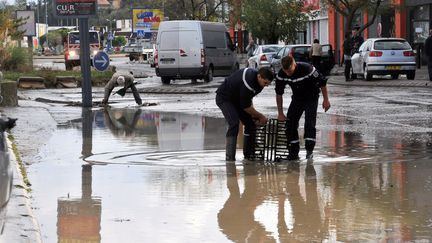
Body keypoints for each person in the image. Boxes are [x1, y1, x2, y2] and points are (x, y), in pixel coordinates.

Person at [275, 55, 330, 160]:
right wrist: (280, 113)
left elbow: (322, 82)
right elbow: (279, 94)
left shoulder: (307, 69)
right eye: (285, 71)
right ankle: (293, 153)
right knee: (290, 123)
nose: (288, 73)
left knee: (309, 123)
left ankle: (309, 152)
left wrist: (326, 100)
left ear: (294, 64)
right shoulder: (281, 74)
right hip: (297, 98)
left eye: (290, 71)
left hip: (311, 97)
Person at [216, 67, 274, 161]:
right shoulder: (249, 81)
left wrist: (253, 115)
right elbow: (245, 106)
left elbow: (248, 99)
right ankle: (230, 158)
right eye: (265, 83)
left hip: (238, 100)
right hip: (224, 98)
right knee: (234, 123)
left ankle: (249, 155)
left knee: (250, 124)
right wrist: (260, 116)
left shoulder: (259, 83)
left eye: (268, 84)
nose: (266, 86)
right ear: (259, 76)